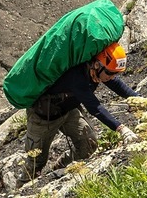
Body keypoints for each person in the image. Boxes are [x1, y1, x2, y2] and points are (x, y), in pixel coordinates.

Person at [25, 40, 136, 174]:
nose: (112, 77)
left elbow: (116, 84)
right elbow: (95, 107)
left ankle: (60, 167)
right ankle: (22, 188)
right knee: (36, 162)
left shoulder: (98, 71)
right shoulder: (76, 76)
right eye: (110, 73)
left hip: (69, 110)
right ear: (97, 64)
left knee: (88, 145)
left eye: (115, 73)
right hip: (43, 117)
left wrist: (139, 98)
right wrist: (121, 128)